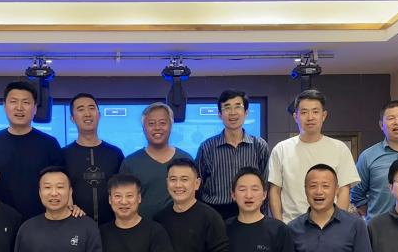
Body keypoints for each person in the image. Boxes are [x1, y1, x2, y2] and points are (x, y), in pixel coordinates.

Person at [268, 89, 359, 223]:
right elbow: (275, 191)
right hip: (291, 225)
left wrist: (337, 225)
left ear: (324, 115)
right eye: (304, 112)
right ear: (296, 116)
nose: (310, 117)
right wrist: (279, 226)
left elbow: (344, 190)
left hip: (329, 226)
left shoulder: (339, 148)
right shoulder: (281, 149)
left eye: (315, 112)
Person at [0, 81, 64, 220]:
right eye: (13, 102)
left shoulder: (49, 143)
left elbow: (61, 183)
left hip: (41, 220)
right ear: (4, 106)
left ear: (35, 108)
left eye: (26, 102)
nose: (19, 108)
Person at [196, 90, 270, 220]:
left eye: (237, 107)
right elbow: (198, 185)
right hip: (215, 213)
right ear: (220, 114)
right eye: (227, 107)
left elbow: (265, 184)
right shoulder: (207, 147)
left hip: (250, 212)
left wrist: (263, 217)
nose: (233, 112)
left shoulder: (259, 145)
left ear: (246, 112)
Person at [120, 102, 192, 219]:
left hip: (182, 226)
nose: (157, 128)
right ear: (143, 128)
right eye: (151, 123)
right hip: (142, 227)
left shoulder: (186, 159)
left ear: (171, 126)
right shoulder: (130, 163)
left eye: (162, 123)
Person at [63, 93, 125, 224]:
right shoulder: (63, 155)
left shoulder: (115, 154)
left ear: (99, 115)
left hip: (112, 226)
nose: (87, 114)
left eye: (91, 108)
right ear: (72, 118)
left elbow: (124, 187)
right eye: (81, 109)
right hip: (75, 225)